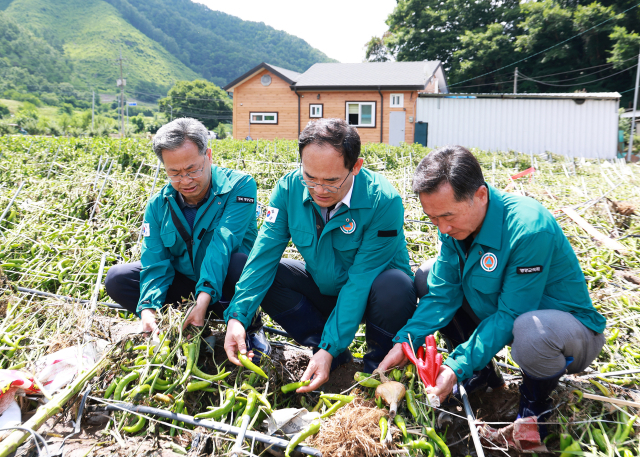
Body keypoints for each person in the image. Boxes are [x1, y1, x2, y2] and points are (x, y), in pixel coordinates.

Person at [378, 145, 605, 437]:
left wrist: (456, 365)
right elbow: (442, 294)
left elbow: (512, 314)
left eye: (448, 216)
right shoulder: (451, 227)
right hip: (507, 315)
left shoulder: (528, 229)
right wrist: (405, 342)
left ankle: (535, 408)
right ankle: (481, 374)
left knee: (530, 329)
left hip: (567, 333)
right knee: (426, 276)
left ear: (481, 195)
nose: (442, 228)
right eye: (433, 218)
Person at [223, 118, 417, 393]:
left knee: (395, 285)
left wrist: (331, 342)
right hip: (324, 286)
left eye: (332, 181)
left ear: (356, 167)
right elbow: (263, 255)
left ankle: (376, 371)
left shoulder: (382, 201)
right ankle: (330, 355)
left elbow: (361, 280)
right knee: (257, 269)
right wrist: (237, 316)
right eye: (310, 178)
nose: (319, 190)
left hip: (374, 298)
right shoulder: (289, 188)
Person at [105, 118, 268, 355]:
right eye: (174, 173)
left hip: (227, 285)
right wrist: (148, 308)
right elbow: (155, 261)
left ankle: (249, 324)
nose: (185, 180)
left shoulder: (239, 187)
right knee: (118, 278)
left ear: (208, 155)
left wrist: (202, 301)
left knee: (238, 263)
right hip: (187, 284)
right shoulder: (158, 205)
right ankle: (190, 327)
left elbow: (222, 244)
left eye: (193, 170)